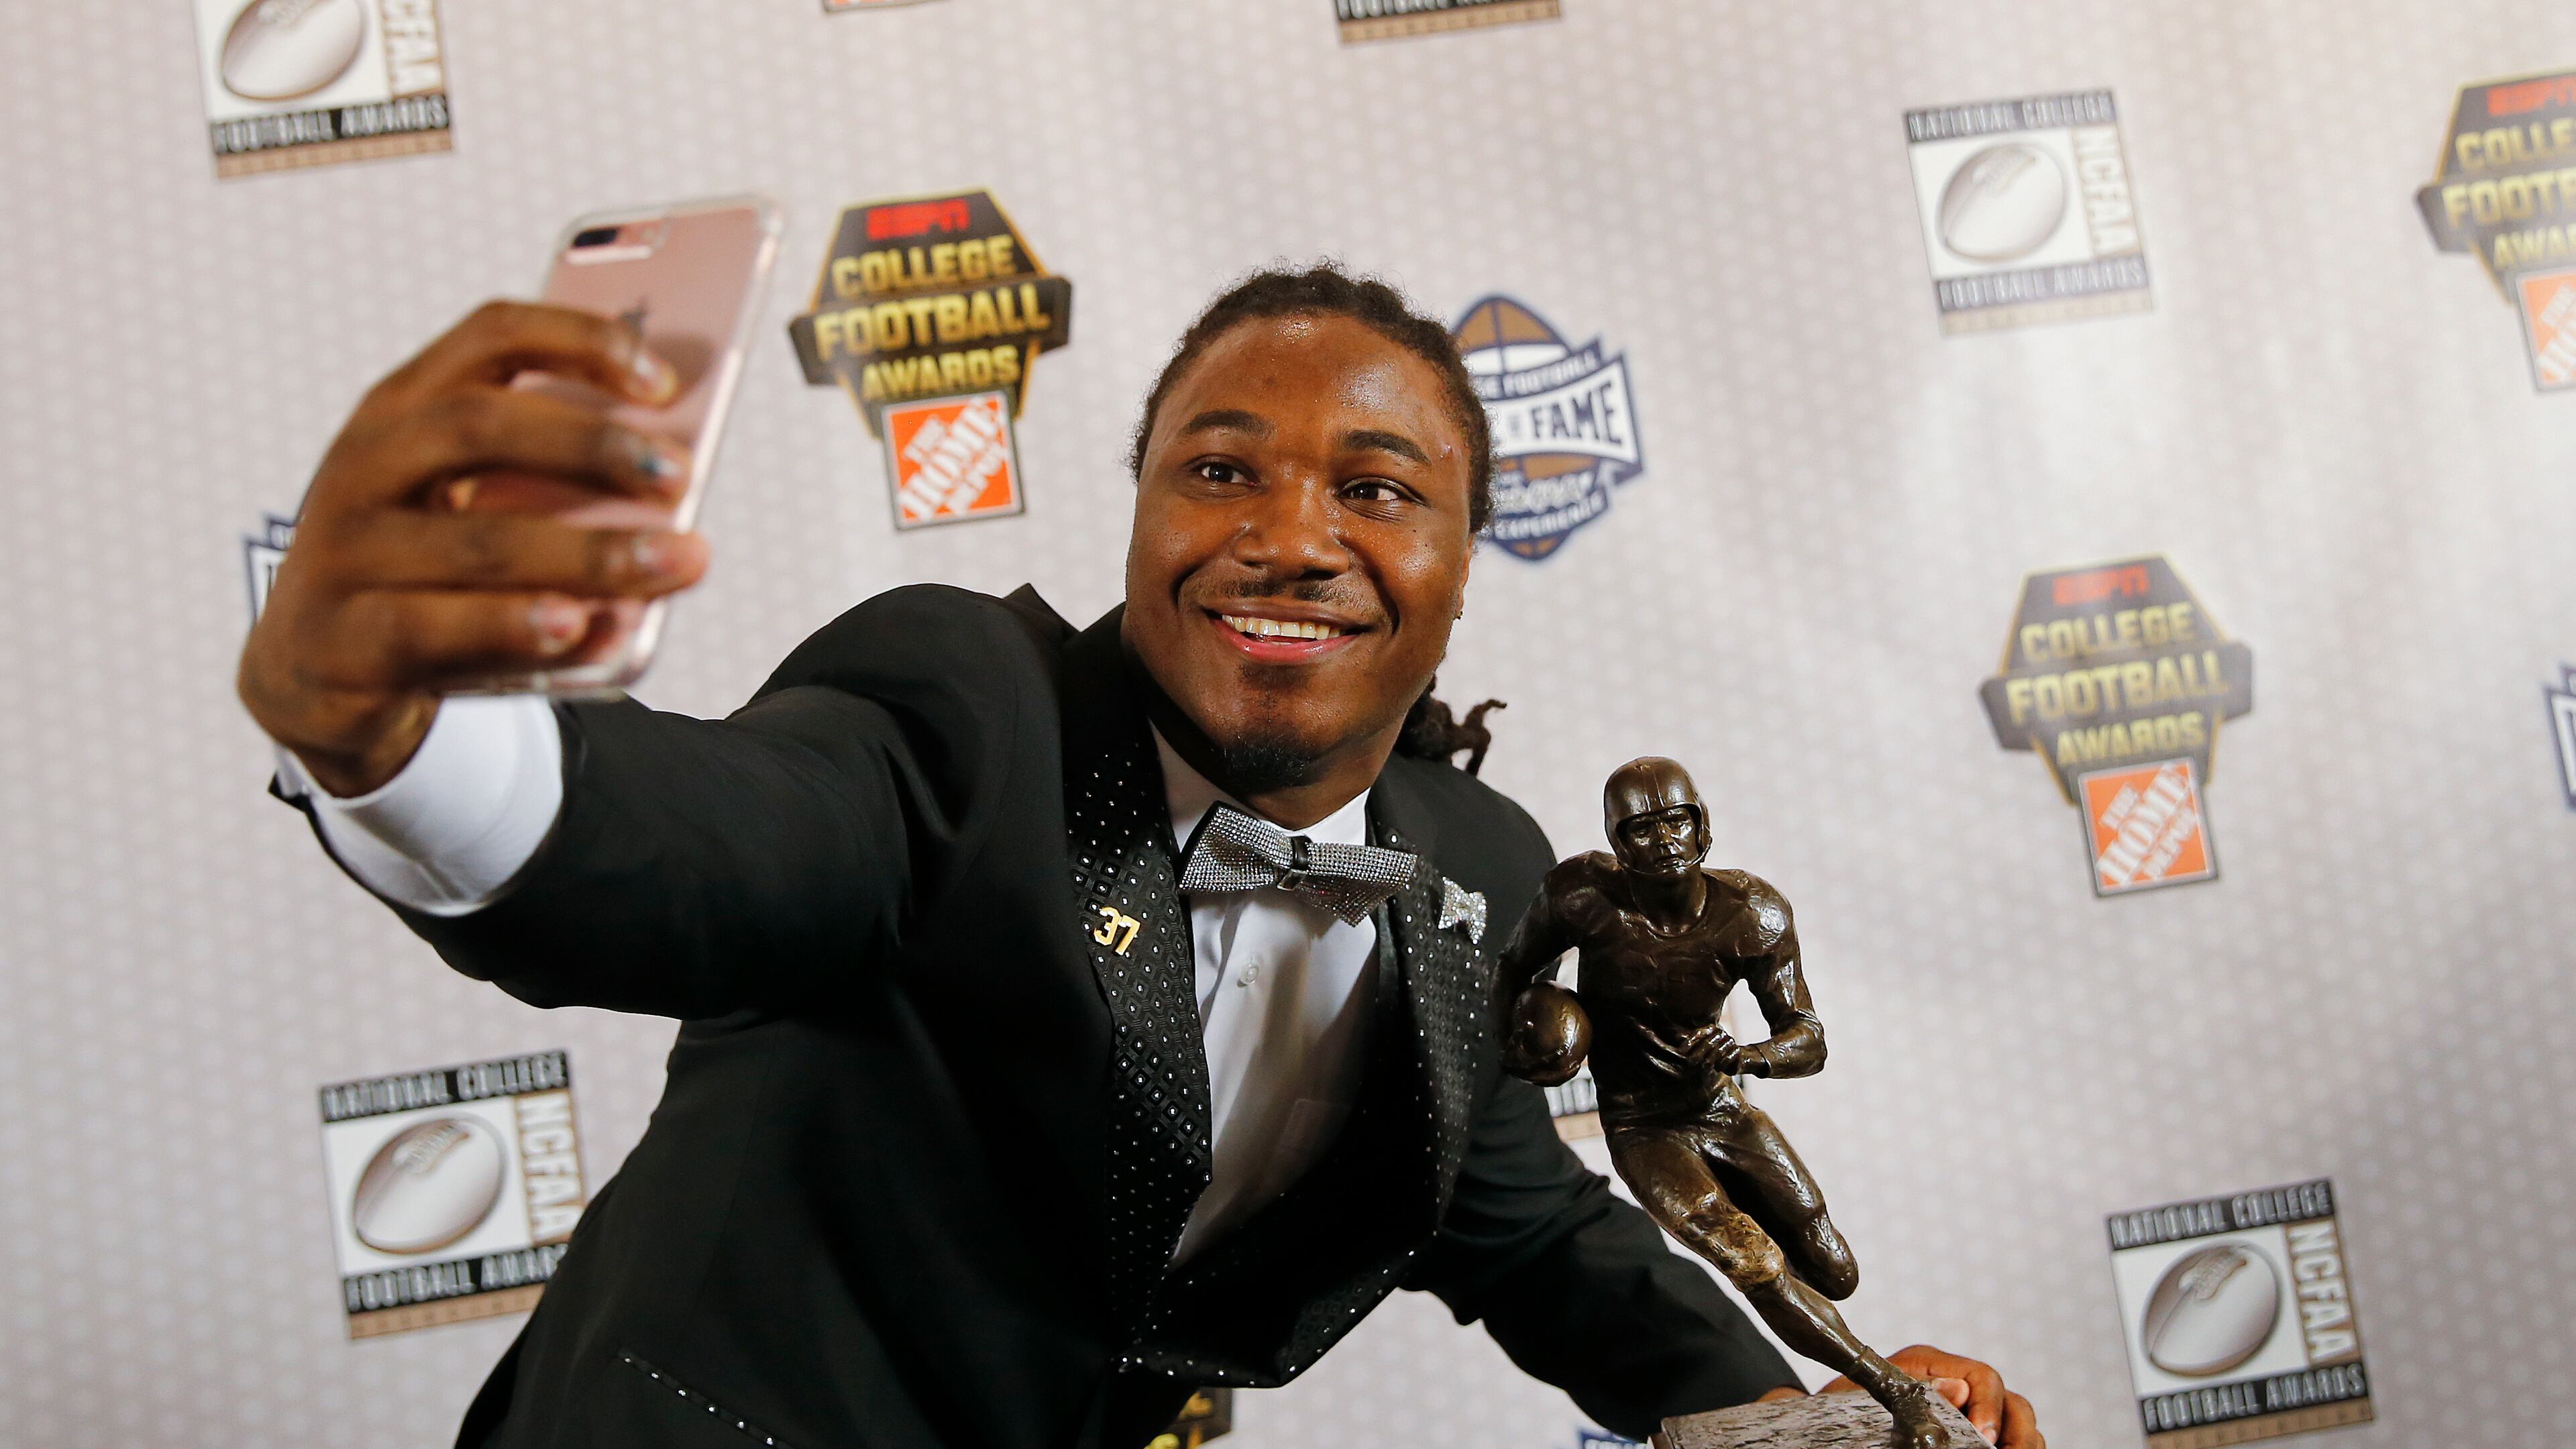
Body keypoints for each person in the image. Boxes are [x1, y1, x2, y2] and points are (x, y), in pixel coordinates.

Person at [239, 264, 2042, 1449]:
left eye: (1379, 488)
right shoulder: (965, 704)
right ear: (1138, 514)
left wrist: (1822, 1415)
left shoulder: (1479, 856)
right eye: (1221, 472)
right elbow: (709, 851)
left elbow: (1522, 1217)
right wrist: (402, 734)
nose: (1290, 539)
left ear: (1469, 552)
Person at [1498, 757, 1971, 1449]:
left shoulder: (1753, 913)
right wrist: (1530, 1034)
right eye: (1640, 828)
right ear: (1615, 839)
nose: (1662, 840)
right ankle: (1896, 1393)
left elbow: (1808, 1039)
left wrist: (1753, 1058)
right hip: (1641, 1124)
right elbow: (1514, 968)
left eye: (1675, 821)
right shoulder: (1581, 895)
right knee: (1753, 1263)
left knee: (1833, 1268)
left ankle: (1797, 1296)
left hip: (1721, 1108)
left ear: (1703, 828)